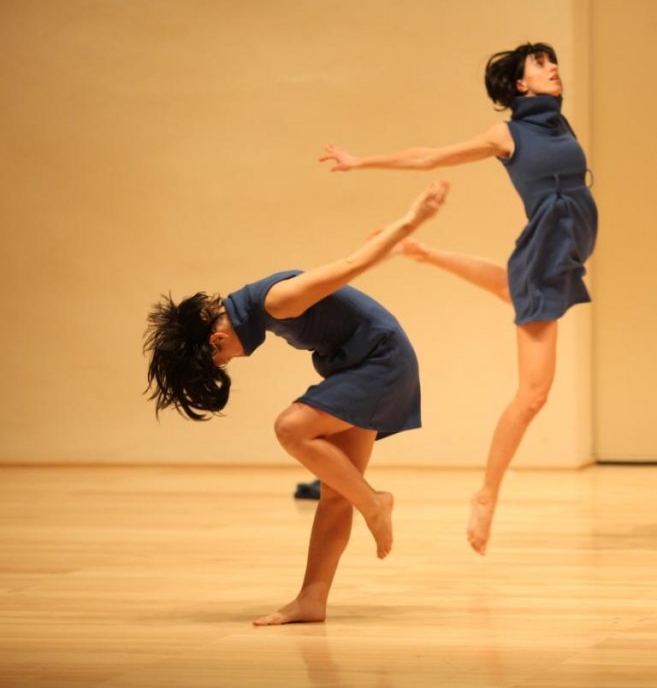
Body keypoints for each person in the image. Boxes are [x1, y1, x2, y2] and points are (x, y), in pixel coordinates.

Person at [320, 42, 597, 556]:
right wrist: (360, 162)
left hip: (559, 255)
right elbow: (428, 155)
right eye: (540, 64)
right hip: (545, 255)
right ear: (520, 84)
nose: (553, 67)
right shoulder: (506, 135)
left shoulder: (559, 124)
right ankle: (486, 494)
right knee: (532, 395)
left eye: (552, 61)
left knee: (510, 289)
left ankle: (423, 254)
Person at [144, 179, 449, 625]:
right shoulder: (258, 308)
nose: (232, 361)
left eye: (223, 361)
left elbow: (353, 264)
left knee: (291, 427)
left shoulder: (277, 300)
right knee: (335, 492)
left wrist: (413, 218)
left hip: (380, 363)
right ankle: (312, 600)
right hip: (359, 367)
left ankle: (375, 502)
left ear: (216, 341)